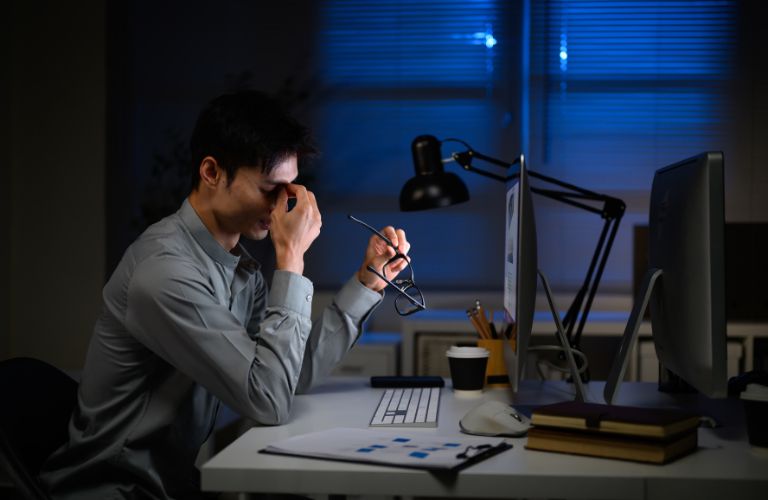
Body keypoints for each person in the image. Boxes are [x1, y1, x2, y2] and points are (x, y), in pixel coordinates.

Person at [40, 90, 411, 499]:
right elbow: (269, 400)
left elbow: (286, 377)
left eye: (288, 191)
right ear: (212, 172)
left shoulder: (238, 268)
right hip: (115, 491)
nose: (281, 207)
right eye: (270, 189)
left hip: (174, 487)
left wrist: (367, 282)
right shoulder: (164, 273)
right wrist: (291, 257)